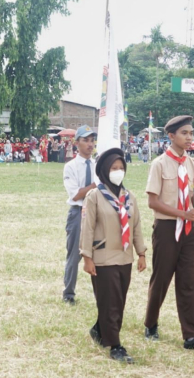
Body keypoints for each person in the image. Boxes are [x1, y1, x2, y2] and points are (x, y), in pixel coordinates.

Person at [144, 115, 194, 353]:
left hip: (189, 230)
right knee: (162, 278)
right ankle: (151, 323)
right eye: (184, 133)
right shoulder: (159, 164)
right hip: (167, 228)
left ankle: (192, 336)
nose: (189, 137)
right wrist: (181, 213)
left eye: (191, 133)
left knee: (189, 280)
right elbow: (152, 202)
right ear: (171, 136)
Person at [80, 148, 147, 363]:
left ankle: (99, 329)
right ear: (104, 171)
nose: (118, 172)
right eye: (113, 168)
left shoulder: (129, 197)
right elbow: (87, 228)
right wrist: (87, 257)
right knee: (109, 302)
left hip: (125, 257)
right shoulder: (95, 196)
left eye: (121, 168)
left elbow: (135, 226)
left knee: (118, 301)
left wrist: (141, 253)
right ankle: (115, 345)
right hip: (103, 257)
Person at [62, 125, 97, 306]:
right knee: (74, 255)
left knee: (98, 254)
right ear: (77, 143)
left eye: (92, 140)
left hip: (96, 213)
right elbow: (75, 194)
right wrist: (95, 186)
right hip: (78, 212)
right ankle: (69, 293)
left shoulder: (98, 165)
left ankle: (101, 292)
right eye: (86, 140)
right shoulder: (71, 166)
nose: (90, 144)